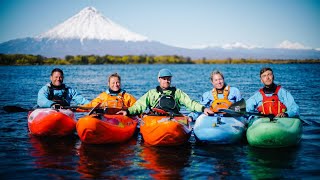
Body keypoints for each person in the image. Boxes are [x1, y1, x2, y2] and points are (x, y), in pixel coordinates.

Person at [117, 68, 213, 116]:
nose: (166, 81)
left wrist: (203, 108)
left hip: (173, 119)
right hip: (156, 119)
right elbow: (139, 106)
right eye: (164, 79)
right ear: (159, 79)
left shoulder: (177, 92)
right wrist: (128, 111)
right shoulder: (151, 93)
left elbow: (190, 103)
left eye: (168, 79)